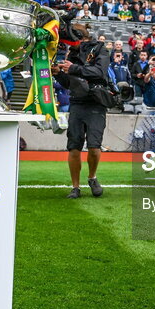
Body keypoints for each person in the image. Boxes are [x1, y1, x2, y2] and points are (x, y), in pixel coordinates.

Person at [54, 21, 110, 199]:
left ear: (80, 38)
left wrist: (73, 68)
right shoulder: (72, 53)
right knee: (74, 147)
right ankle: (75, 187)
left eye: (70, 40)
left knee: (94, 147)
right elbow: (70, 82)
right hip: (77, 102)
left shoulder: (100, 49)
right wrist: (59, 74)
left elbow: (99, 72)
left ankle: (92, 177)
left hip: (96, 102)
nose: (68, 44)